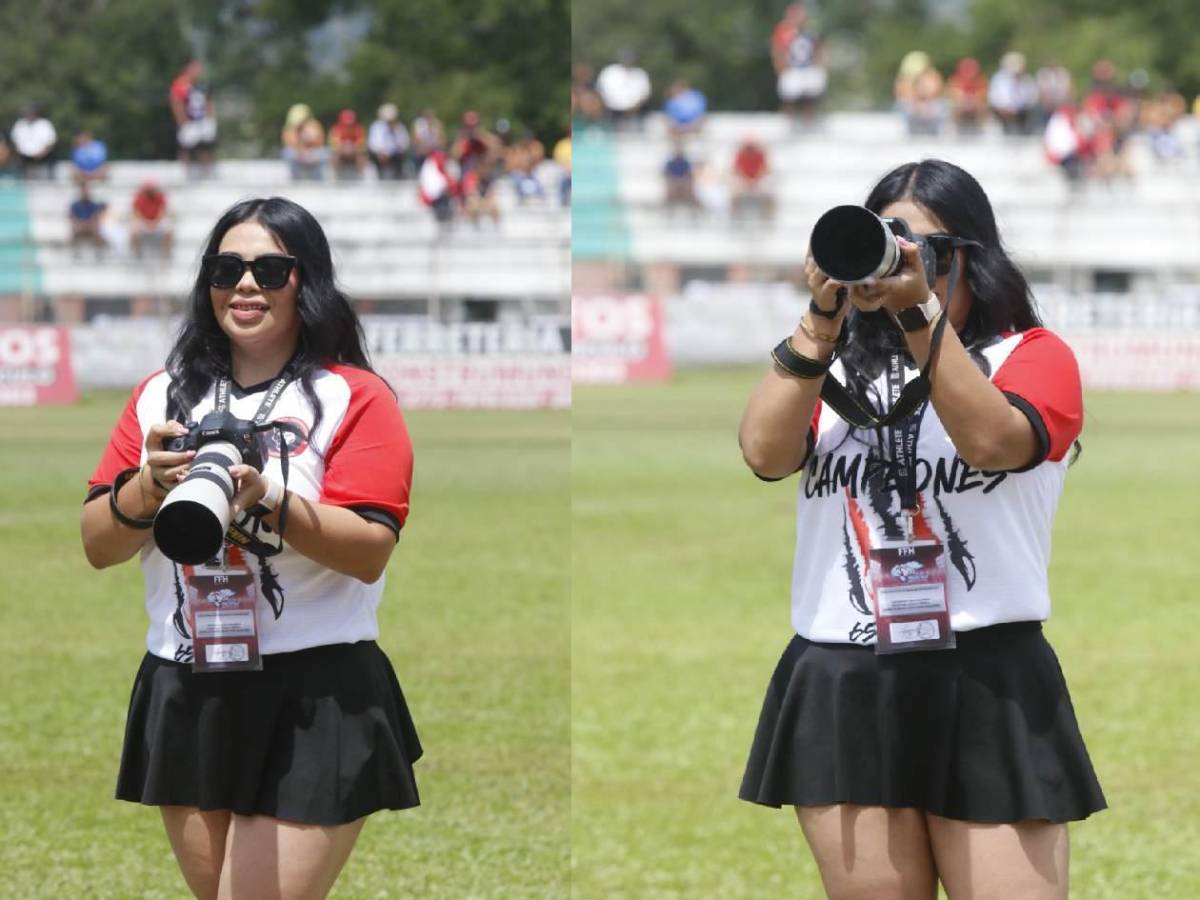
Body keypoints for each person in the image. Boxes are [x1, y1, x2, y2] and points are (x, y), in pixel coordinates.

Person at [736, 158, 1105, 899]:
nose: (897, 262)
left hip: (986, 672)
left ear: (970, 255)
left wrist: (918, 315)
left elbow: (993, 442)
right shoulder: (831, 368)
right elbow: (765, 454)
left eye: (920, 247)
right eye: (884, 240)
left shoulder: (1031, 356)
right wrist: (820, 320)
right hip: (844, 670)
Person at [80, 196, 422, 899]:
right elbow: (97, 545)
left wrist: (266, 496)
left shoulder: (353, 396)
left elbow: (368, 551)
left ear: (306, 280)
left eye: (269, 270)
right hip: (186, 678)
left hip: (315, 684)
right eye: (225, 268)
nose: (244, 285)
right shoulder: (159, 396)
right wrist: (147, 487)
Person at [771, 2, 827, 127]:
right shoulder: (783, 31)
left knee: (811, 93)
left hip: (808, 67)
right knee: (789, 94)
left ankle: (810, 120)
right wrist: (780, 67)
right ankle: (788, 121)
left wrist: (819, 64)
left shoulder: (811, 31)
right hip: (791, 69)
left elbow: (819, 48)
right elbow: (778, 50)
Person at [169, 59, 218, 178]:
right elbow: (176, 103)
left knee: (205, 146)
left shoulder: (202, 85)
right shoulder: (180, 84)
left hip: (202, 120)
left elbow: (209, 102)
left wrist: (211, 118)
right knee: (185, 146)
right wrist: (182, 120)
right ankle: (185, 172)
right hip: (189, 121)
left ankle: (206, 171)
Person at [130, 179, 174, 259]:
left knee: (169, 230)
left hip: (157, 221)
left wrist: (155, 223)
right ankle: (136, 254)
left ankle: (166, 254)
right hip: (143, 221)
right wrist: (147, 223)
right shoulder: (139, 197)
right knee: (134, 231)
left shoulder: (160, 197)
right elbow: (137, 213)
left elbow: (162, 212)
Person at [11, 104, 57, 179]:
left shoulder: (45, 124)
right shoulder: (20, 124)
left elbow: (50, 142)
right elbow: (15, 142)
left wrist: (41, 154)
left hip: (43, 156)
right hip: (23, 157)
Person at [367, 103, 410, 180]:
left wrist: (390, 153)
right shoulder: (376, 127)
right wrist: (380, 152)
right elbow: (372, 144)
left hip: (395, 156)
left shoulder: (400, 128)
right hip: (378, 155)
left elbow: (404, 144)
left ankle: (399, 178)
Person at [69, 184, 108, 257]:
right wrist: (81, 224)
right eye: (84, 191)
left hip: (90, 227)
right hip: (80, 227)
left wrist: (88, 224)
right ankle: (74, 253)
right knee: (74, 231)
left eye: (87, 191)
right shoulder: (74, 205)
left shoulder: (94, 205)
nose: (85, 193)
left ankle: (99, 253)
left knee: (97, 230)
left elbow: (96, 218)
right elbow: (73, 218)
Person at [329, 108, 368, 180]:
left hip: (355, 153)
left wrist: (352, 148)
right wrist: (344, 148)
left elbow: (362, 146)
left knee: (361, 157)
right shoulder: (336, 130)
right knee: (334, 157)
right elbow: (334, 146)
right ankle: (333, 178)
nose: (348, 126)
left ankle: (361, 178)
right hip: (341, 153)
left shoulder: (359, 129)